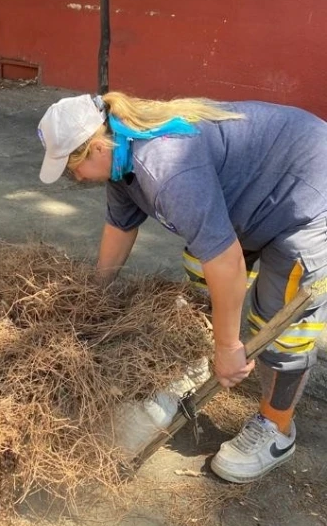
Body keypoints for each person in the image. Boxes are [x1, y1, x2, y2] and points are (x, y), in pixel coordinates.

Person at [37, 91, 327, 483]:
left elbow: (225, 263)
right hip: (257, 192)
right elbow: (120, 228)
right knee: (199, 263)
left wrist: (228, 348)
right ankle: (210, 349)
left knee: (280, 321)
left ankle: (276, 429)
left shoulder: (165, 167)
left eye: (74, 168)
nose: (75, 178)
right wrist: (93, 295)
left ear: (97, 147)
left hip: (307, 194)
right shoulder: (122, 159)